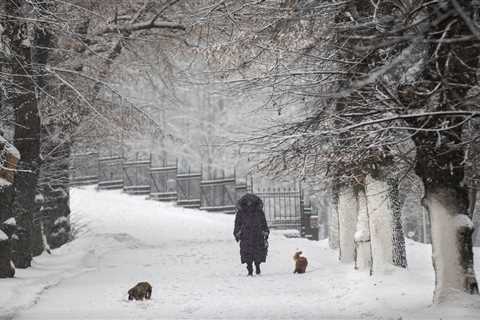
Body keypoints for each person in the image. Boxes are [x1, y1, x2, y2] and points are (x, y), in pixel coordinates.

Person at [233, 193, 269, 276]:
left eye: (251, 201)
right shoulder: (241, 212)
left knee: (258, 252)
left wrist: (265, 231)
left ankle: (257, 266)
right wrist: (237, 232)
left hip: (257, 234)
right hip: (246, 235)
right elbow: (237, 223)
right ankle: (249, 268)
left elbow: (263, 222)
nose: (249, 203)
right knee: (247, 253)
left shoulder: (259, 212)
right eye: (247, 202)